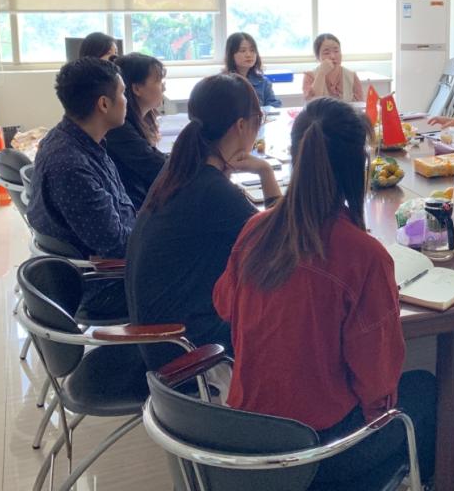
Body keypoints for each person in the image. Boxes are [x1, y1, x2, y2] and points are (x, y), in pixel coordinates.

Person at [214, 97, 435, 489]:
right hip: (317, 455)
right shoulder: (364, 256)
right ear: (358, 166)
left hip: (246, 440)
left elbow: (224, 305)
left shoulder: (255, 231)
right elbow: (378, 382)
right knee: (425, 391)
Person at [126, 74, 281, 371]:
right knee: (296, 316)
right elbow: (283, 245)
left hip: (158, 338)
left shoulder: (180, 169)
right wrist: (266, 173)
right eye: (258, 120)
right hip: (188, 352)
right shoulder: (213, 190)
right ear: (241, 125)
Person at [27, 57, 135, 316]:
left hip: (105, 267)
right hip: (105, 284)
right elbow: (116, 245)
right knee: (202, 272)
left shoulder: (70, 139)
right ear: (104, 104)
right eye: (123, 93)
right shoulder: (71, 166)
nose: (126, 100)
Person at [105, 53, 167, 210]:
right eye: (159, 81)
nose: (164, 87)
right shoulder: (119, 129)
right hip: (133, 208)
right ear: (137, 88)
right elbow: (155, 166)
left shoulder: (142, 119)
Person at [224, 32, 281, 108]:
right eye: (242, 51)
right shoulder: (222, 83)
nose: (248, 55)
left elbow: (275, 104)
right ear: (231, 55)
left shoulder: (262, 82)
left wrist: (262, 111)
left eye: (252, 50)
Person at [302, 33, 364, 103]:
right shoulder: (309, 76)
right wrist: (322, 73)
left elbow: (360, 105)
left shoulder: (351, 76)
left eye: (336, 51)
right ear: (318, 57)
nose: (333, 56)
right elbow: (312, 104)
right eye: (326, 53)